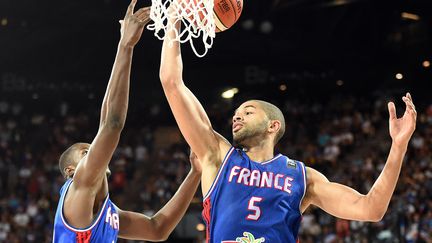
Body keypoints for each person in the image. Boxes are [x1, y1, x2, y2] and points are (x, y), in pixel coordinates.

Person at [158, 17, 417, 242]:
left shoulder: (303, 178)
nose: (237, 117)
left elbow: (371, 209)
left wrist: (398, 146)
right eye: (236, 114)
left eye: (248, 111)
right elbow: (171, 82)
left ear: (273, 126)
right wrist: (174, 20)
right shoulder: (217, 155)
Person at [53, 2, 201, 242]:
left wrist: (195, 173)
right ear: (71, 171)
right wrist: (125, 46)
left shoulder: (108, 212)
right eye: (86, 152)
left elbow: (157, 229)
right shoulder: (77, 190)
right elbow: (110, 124)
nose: (95, 151)